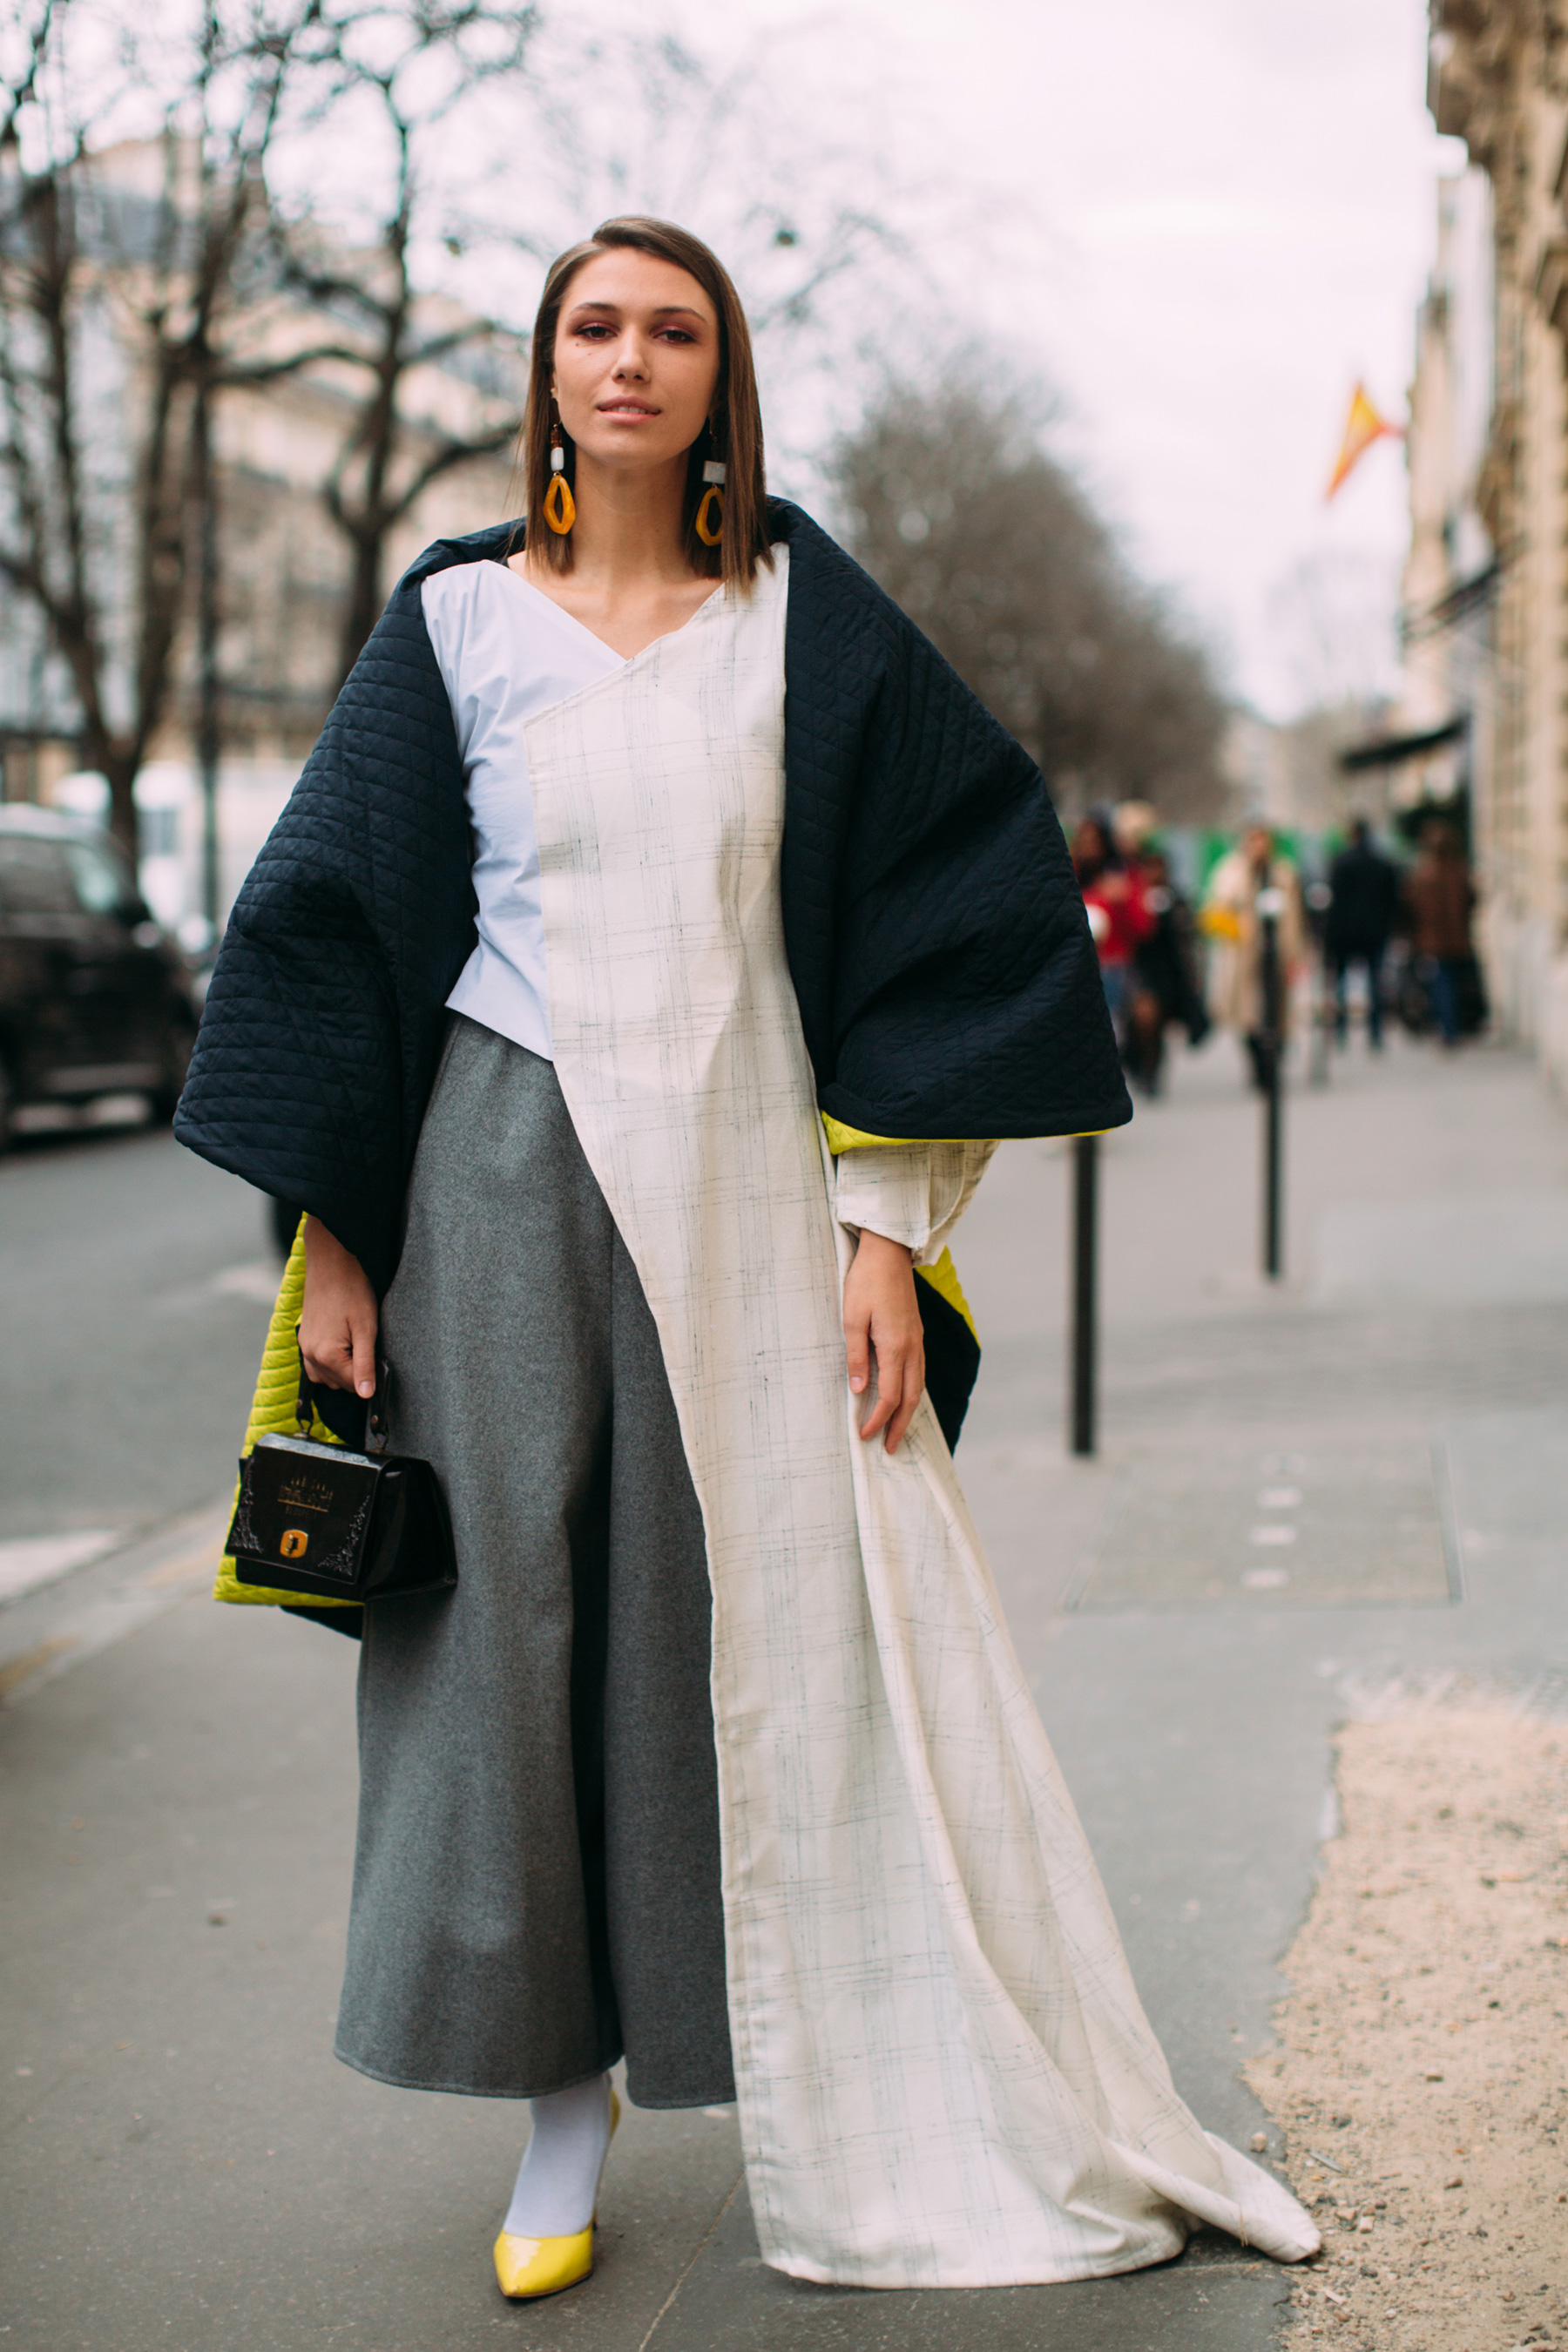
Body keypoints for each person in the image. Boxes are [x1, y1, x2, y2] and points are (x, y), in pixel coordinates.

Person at [175, 218, 1317, 2298]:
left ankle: (773, 2042)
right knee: (509, 1622)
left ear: (721, 372)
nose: (629, 360)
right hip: (494, 1158)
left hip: (743, 1167)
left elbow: (954, 889)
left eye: (672, 328)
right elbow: (330, 925)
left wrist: (884, 1224)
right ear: (545, 366)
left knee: (715, 1620)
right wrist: (342, 1233)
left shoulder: (804, 617)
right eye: (594, 326)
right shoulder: (452, 623)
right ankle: (553, 2105)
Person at [1201, 823, 1307, 1091]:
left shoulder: (1283, 873)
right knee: (1247, 1014)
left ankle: (1273, 1066)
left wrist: (1295, 954)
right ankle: (1257, 1064)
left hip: (1277, 954)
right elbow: (1215, 912)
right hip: (1242, 952)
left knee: (1278, 1013)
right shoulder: (1231, 873)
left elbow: (1294, 919)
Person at [1123, 847, 1211, 1094]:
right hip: (1141, 973)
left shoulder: (1176, 900)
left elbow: (1189, 942)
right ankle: (1143, 1069)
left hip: (1171, 974)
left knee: (1157, 1026)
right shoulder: (1135, 899)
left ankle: (1153, 1073)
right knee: (1143, 1023)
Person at [1070, 811, 1152, 1040]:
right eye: (1083, 842)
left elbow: (1143, 927)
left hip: (1113, 966)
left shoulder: (1123, 875)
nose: (1088, 850)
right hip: (1074, 964)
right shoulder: (1067, 873)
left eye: (1094, 843)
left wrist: (1121, 900)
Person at [1402, 818, 1480, 1047]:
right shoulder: (1459, 871)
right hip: (1458, 939)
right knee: (1454, 983)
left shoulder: (1423, 875)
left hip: (1434, 941)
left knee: (1442, 985)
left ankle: (1448, 1029)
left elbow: (1411, 907)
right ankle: (1454, 1026)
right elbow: (1471, 900)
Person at [1324, 817, 1400, 1049]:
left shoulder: (1341, 862)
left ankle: (1340, 1031)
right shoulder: (1383, 863)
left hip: (1345, 931)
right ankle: (1375, 1033)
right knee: (1375, 982)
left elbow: (1334, 901)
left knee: (1341, 983)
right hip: (1375, 930)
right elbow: (1392, 900)